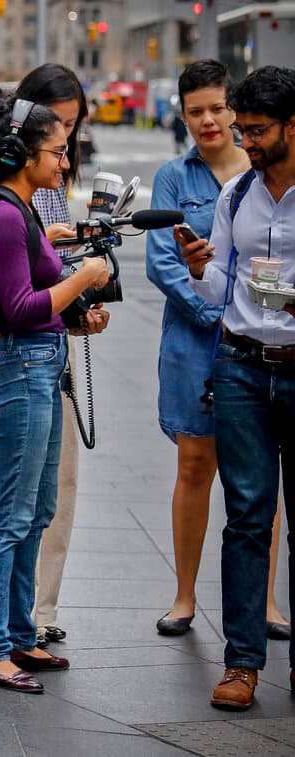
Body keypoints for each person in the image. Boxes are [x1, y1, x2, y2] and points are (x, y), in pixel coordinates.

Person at [0, 89, 110, 694]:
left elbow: (34, 301)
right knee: (9, 514)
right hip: (14, 367)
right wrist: (83, 278)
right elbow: (20, 308)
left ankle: (20, 633)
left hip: (38, 363)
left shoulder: (22, 211)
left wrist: (76, 311)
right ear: (23, 153)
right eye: (57, 151)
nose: (65, 163)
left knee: (37, 509)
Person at [146, 59, 290, 640]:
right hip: (204, 343)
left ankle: (269, 605)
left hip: (260, 343)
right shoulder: (188, 181)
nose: (209, 121)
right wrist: (223, 307)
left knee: (263, 482)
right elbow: (168, 264)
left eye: (219, 110)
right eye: (194, 112)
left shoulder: (254, 180)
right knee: (201, 466)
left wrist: (244, 309)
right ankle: (187, 598)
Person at [180, 65, 295, 711]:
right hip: (243, 366)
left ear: (293, 125)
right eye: (242, 130)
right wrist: (203, 267)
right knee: (247, 516)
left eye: (257, 131)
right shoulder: (237, 194)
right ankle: (243, 662)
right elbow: (224, 284)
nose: (245, 141)